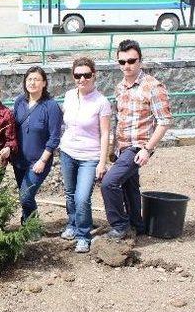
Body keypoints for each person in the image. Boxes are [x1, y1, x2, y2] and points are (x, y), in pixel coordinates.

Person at [101, 40, 172, 239]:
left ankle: (119, 226)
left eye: (131, 61)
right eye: (122, 62)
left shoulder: (153, 86)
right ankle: (137, 225)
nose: (127, 66)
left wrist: (147, 149)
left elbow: (164, 121)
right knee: (129, 186)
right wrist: (112, 150)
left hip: (138, 147)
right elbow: (120, 121)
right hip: (122, 148)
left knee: (109, 183)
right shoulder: (120, 88)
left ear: (140, 60)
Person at [59, 57, 111, 253]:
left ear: (93, 75)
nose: (82, 79)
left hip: (90, 156)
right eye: (77, 75)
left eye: (86, 75)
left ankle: (83, 234)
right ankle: (72, 224)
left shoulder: (101, 102)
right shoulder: (69, 96)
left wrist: (102, 162)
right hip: (67, 152)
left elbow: (105, 133)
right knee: (70, 194)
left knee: (82, 197)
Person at [13, 66, 63, 224]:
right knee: (25, 196)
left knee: (25, 195)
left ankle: (34, 227)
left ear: (44, 83)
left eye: (36, 79)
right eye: (29, 79)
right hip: (19, 160)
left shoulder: (51, 106)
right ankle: (27, 224)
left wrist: (43, 160)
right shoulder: (19, 102)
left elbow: (55, 137)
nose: (32, 82)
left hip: (38, 161)